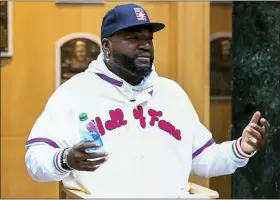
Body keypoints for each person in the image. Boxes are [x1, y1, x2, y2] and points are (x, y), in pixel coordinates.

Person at [25, 3, 270, 198]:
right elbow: (35, 159)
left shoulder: (172, 93)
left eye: (148, 38)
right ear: (107, 47)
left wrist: (241, 148)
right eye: (133, 38)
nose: (144, 46)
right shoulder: (74, 93)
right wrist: (65, 158)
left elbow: (204, 160)